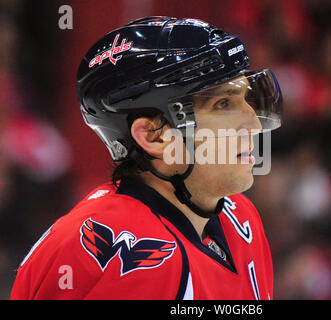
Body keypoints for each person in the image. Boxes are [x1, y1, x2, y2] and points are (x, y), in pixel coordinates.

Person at [10, 16, 282, 300]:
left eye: (245, 99)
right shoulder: (110, 254)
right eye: (223, 104)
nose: (253, 124)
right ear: (154, 135)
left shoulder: (239, 215)